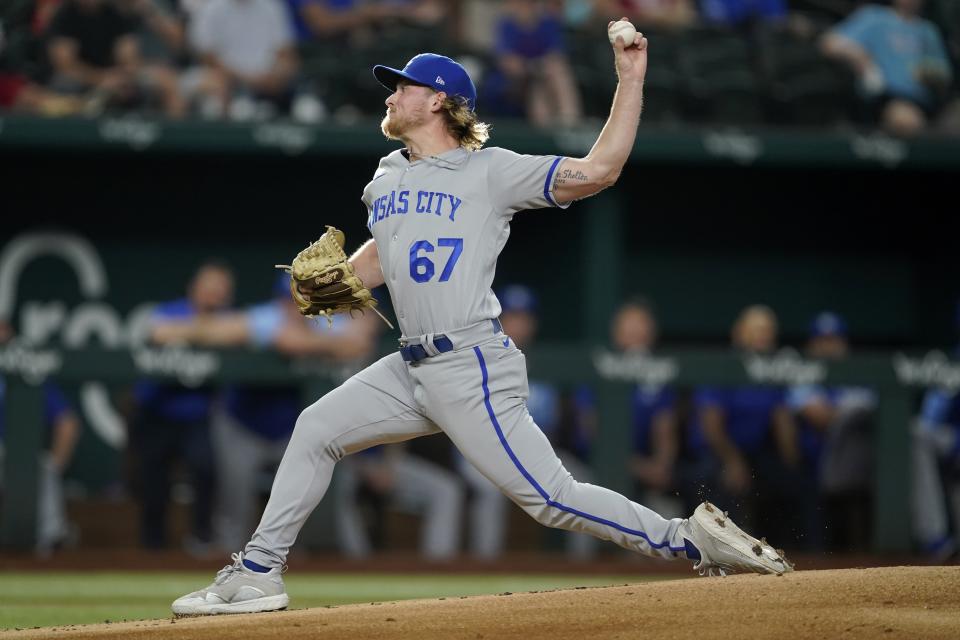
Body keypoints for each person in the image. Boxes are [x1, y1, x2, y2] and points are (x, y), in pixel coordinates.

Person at [172, 22, 792, 616]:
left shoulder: (491, 171)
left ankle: (688, 540)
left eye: (403, 86)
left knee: (551, 500)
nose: (391, 95)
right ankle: (257, 574)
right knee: (315, 429)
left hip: (470, 364)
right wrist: (333, 282)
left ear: (439, 100)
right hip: (411, 366)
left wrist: (630, 79)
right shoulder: (386, 177)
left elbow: (600, 171)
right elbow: (379, 261)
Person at [134, 261, 234, 554]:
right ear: (195, 288)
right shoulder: (171, 311)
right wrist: (206, 331)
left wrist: (192, 332)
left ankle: (201, 538)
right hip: (156, 410)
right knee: (153, 482)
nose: (214, 295)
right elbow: (158, 332)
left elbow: (241, 333)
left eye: (221, 290)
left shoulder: (230, 319)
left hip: (197, 414)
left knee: (205, 470)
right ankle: (152, 545)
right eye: (210, 288)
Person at [820, 0, 955, 137]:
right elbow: (830, 43)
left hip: (928, 103)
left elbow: (945, 75)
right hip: (886, 99)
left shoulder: (928, 30)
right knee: (906, 120)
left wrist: (930, 74)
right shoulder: (875, 17)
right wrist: (862, 59)